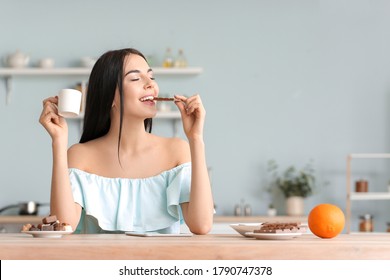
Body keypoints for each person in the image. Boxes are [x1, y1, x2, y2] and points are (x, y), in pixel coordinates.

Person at [39, 48, 214, 234]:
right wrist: (58, 141)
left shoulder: (177, 151)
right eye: (136, 78)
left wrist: (196, 139)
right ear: (110, 97)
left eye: (151, 77)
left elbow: (201, 225)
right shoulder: (79, 156)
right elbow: (63, 225)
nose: (150, 85)